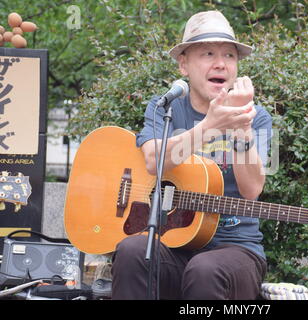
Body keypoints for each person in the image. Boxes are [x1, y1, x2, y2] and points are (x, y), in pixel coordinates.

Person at [111, 10, 273, 300]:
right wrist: (210, 127)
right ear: (183, 65)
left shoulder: (257, 117)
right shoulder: (166, 107)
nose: (221, 63)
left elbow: (252, 190)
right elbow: (152, 161)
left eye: (230, 55)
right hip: (173, 243)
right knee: (132, 250)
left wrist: (241, 128)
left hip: (235, 249)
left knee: (204, 269)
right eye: (208, 53)